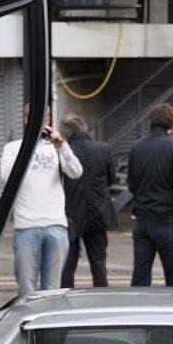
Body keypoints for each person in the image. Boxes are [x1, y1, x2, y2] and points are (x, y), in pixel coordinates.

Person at [1, 105, 83, 294]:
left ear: (49, 120)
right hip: (26, 226)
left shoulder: (57, 147)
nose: (40, 122)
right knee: (26, 289)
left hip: (55, 224)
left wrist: (62, 146)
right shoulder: (13, 148)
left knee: (53, 290)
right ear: (25, 119)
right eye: (34, 117)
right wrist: (28, 146)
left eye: (44, 118)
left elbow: (76, 172)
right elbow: (7, 178)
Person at [127, 103, 173, 287]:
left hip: (142, 219)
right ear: (170, 124)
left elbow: (131, 184)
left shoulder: (137, 147)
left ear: (150, 122)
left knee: (140, 277)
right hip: (167, 219)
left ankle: (138, 313)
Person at [60, 113, 115, 288]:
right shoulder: (103, 149)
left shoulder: (65, 152)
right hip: (98, 213)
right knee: (99, 263)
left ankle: (64, 301)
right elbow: (111, 179)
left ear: (67, 134)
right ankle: (101, 299)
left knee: (68, 265)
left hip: (71, 214)